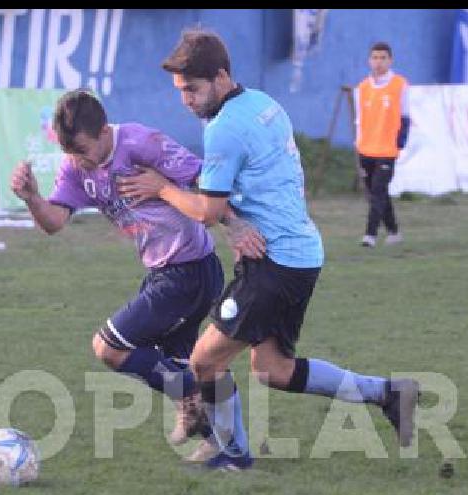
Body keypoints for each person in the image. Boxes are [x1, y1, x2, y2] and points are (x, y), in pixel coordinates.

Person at [118, 29, 420, 471]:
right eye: (180, 90)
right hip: (300, 254)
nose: (185, 99)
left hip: (274, 263)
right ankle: (389, 393)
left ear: (220, 77)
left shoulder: (225, 129)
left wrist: (161, 188)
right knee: (273, 369)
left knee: (204, 361)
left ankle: (233, 454)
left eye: (192, 89)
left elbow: (206, 210)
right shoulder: (263, 104)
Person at [10, 89, 234, 454]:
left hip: (190, 271)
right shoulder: (75, 169)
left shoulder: (141, 143)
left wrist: (165, 189)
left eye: (82, 150)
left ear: (102, 132)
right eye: (69, 152)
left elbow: (206, 181)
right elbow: (53, 222)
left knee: (110, 347)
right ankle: (216, 434)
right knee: (184, 361)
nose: (76, 160)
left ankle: (192, 395)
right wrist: (32, 198)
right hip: (164, 273)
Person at [354, 41, 410, 248]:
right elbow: (359, 120)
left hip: (387, 150)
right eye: (375, 58)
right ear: (370, 60)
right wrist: (358, 145)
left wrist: (400, 143)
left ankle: (370, 235)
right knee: (377, 194)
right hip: (366, 149)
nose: (378, 62)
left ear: (390, 60)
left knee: (378, 191)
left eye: (383, 58)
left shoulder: (399, 85)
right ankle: (394, 232)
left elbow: (405, 116)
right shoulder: (362, 88)